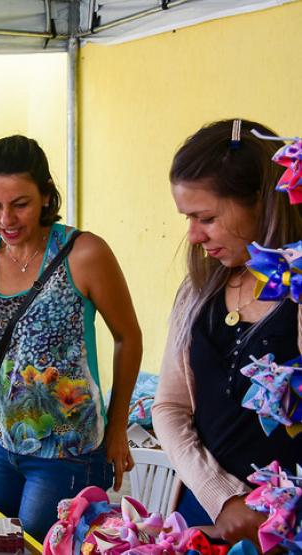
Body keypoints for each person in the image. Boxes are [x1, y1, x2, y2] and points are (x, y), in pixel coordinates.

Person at [0, 135, 142, 540]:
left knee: (44, 545)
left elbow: (128, 337)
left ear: (46, 195)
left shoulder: (84, 253)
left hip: (68, 450)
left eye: (20, 204)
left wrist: (118, 427)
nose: (6, 220)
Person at [152, 119, 302, 545]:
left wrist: (271, 514)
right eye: (188, 219)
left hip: (286, 530)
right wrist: (224, 497)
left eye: (207, 218)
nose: (195, 236)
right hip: (206, 509)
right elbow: (169, 407)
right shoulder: (198, 292)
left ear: (261, 201)